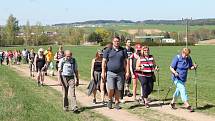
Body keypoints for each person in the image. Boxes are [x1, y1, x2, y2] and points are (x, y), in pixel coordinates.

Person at [102, 36, 129, 110]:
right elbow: (104, 62)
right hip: (110, 73)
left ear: (119, 42)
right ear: (112, 41)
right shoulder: (108, 50)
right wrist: (103, 72)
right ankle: (110, 100)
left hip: (120, 73)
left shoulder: (123, 50)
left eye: (118, 41)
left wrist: (127, 72)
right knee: (111, 88)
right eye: (115, 41)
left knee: (118, 89)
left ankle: (117, 103)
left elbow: (126, 62)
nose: (116, 42)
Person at [169, 48, 197, 112]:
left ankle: (172, 103)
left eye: (188, 55)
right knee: (182, 89)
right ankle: (187, 104)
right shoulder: (177, 57)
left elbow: (190, 67)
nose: (187, 56)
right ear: (183, 53)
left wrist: (194, 67)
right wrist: (175, 72)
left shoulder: (188, 58)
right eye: (186, 55)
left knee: (178, 91)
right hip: (176, 78)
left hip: (183, 78)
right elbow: (171, 67)